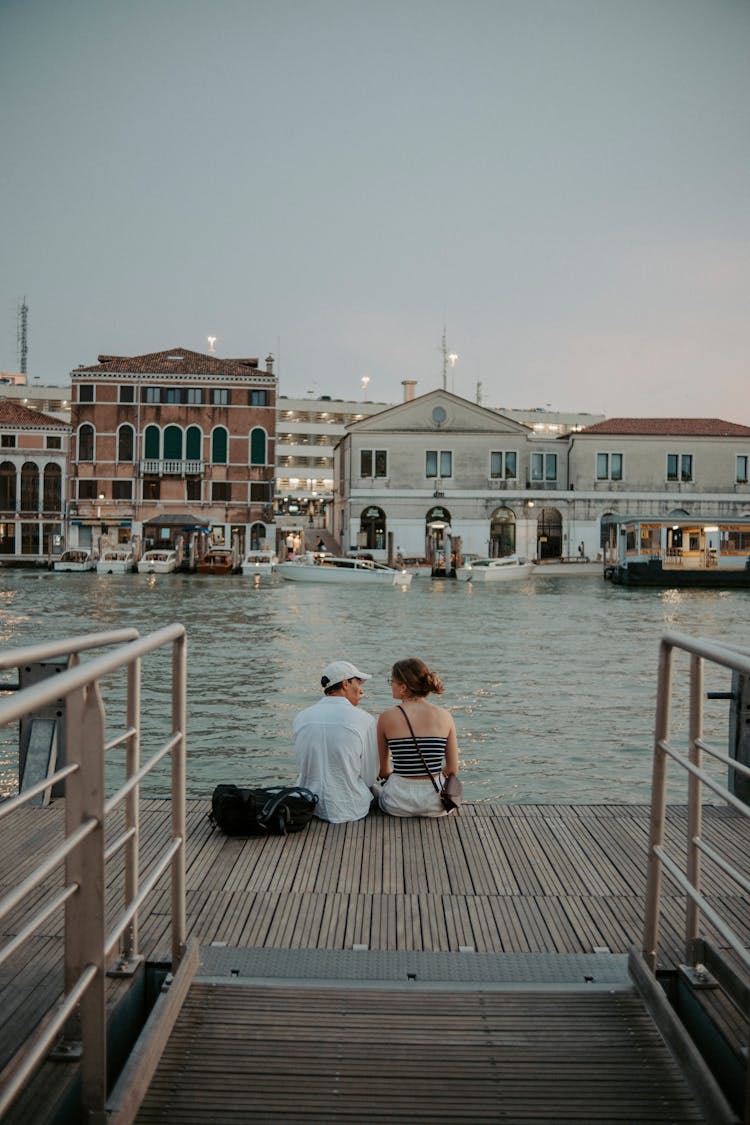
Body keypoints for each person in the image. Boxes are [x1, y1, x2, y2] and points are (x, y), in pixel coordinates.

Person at [293, 660, 379, 823]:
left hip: (309, 806)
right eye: (358, 682)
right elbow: (369, 777)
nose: (361, 689)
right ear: (346, 683)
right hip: (351, 808)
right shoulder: (365, 720)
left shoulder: (301, 717)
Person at [377, 657, 459, 817]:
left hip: (397, 803)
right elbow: (452, 769)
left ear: (403, 687)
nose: (390, 685)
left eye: (391, 681)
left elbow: (384, 771)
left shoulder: (386, 717)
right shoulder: (445, 716)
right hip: (435, 804)